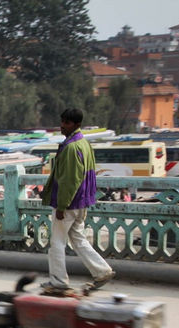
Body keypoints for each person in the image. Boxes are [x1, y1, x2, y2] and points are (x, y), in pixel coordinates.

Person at [40, 108, 114, 291]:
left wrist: (61, 206)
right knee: (78, 239)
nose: (62, 126)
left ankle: (58, 281)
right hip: (82, 201)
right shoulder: (84, 143)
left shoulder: (72, 147)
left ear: (76, 124)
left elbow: (70, 180)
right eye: (62, 121)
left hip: (69, 203)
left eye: (66, 123)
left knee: (57, 242)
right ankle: (102, 271)